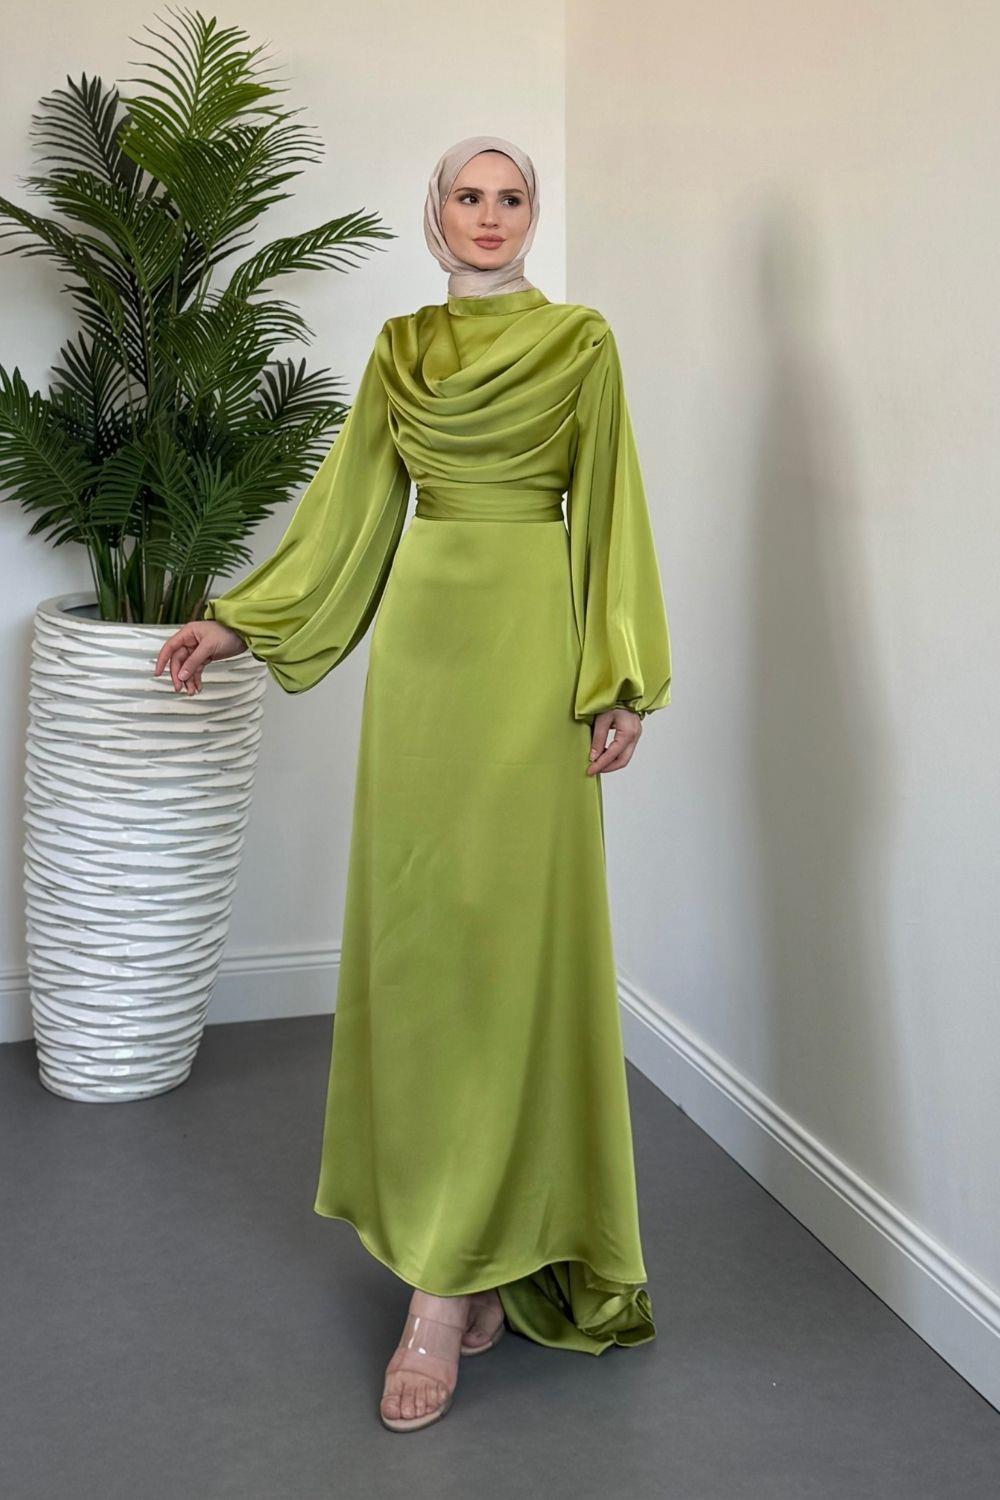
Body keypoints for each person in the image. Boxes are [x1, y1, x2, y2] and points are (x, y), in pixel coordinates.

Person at [154, 134, 672, 1434]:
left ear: (534, 216)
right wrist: (239, 623)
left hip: (532, 657)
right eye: (468, 196)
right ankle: (459, 1265)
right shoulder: (399, 350)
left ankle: (448, 1291)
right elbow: (350, 512)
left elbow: (612, 508)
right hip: (425, 662)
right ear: (434, 214)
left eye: (512, 198)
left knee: (515, 952)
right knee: (432, 952)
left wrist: (617, 677)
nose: (490, 216)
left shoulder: (582, 343)